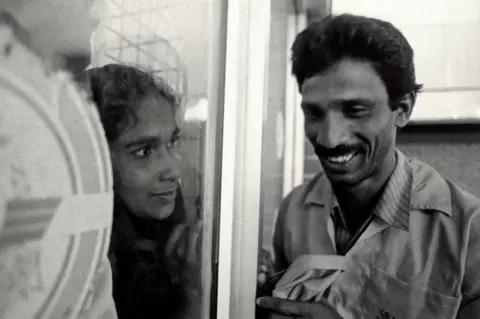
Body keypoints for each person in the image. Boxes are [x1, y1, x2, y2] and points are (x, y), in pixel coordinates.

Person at [256, 13, 480, 319]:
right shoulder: (293, 211)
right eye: (314, 113)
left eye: (355, 110)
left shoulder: (469, 233)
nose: (329, 139)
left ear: (402, 109)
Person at [80, 64, 202, 319]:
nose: (173, 170)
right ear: (97, 159)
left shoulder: (160, 232)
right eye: (144, 152)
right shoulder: (89, 268)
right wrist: (193, 293)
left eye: (172, 142)